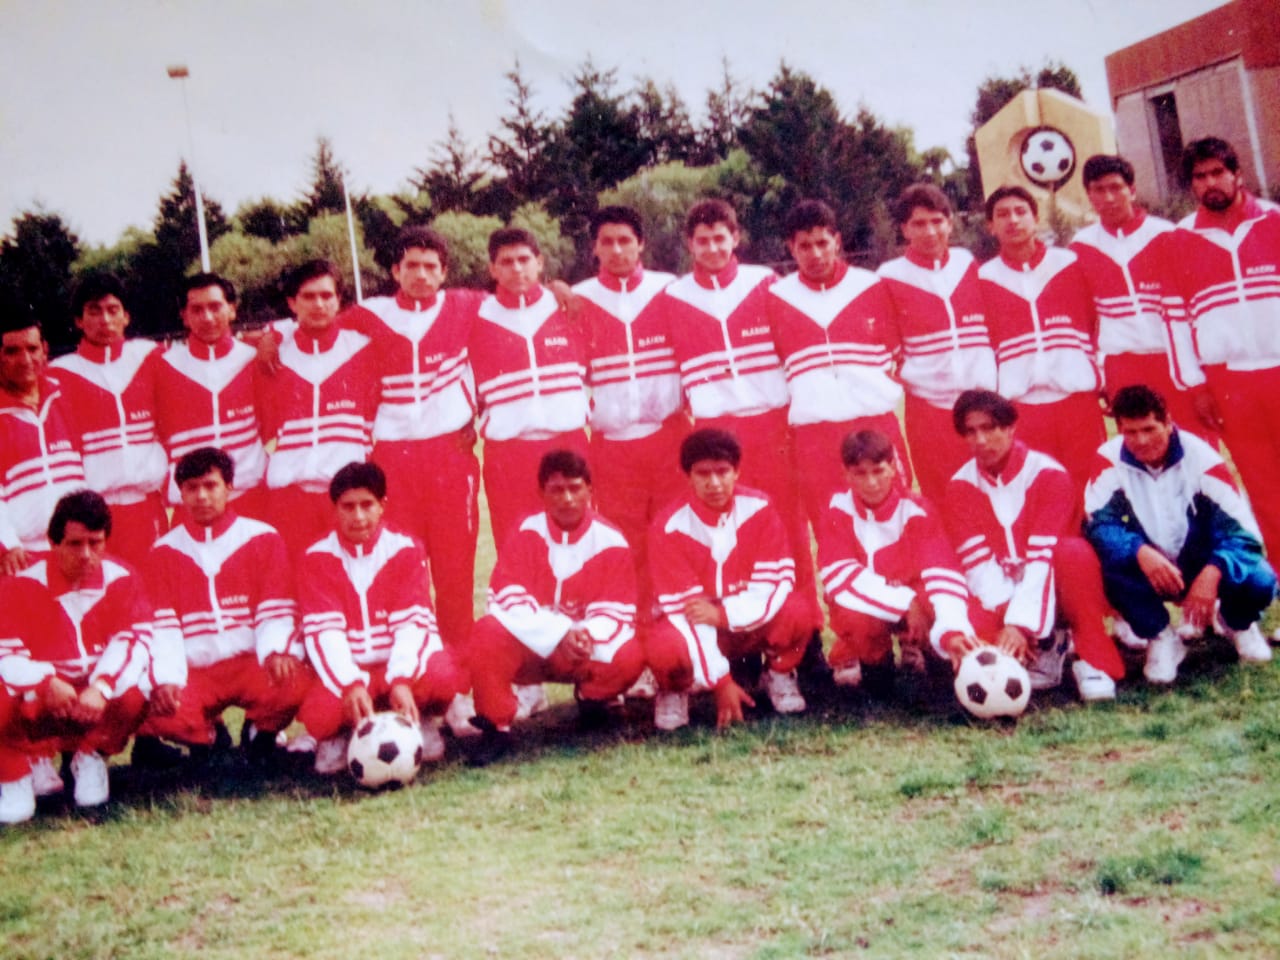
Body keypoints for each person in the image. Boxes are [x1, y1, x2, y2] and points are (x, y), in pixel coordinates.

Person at [657, 199, 823, 662]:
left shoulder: (765, 282)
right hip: (715, 431)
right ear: (689, 244)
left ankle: (802, 646)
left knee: (787, 532)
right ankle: (736, 646)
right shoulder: (673, 296)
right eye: (702, 240)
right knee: (725, 536)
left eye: (720, 238)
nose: (712, 247)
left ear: (736, 238)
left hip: (770, 424)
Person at [337, 227, 483, 660]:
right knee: (403, 568)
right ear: (395, 271)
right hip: (393, 461)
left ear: (444, 273)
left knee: (455, 574)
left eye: (430, 267)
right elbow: (313, 325)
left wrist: (558, 286)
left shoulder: (465, 305)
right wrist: (268, 333)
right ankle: (414, 673)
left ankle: (456, 687)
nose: (421, 275)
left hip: (450, 456)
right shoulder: (369, 314)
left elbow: (523, 299)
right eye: (412, 266)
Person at [942, 390, 1123, 701]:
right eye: (971, 432)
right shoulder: (960, 486)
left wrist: (1019, 624)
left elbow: (1042, 557)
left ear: (1011, 428)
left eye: (989, 428)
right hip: (1000, 595)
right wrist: (1007, 622)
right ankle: (1042, 648)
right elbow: (978, 566)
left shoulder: (1049, 475)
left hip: (1055, 583)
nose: (981, 440)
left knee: (1073, 553)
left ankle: (1089, 656)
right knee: (972, 634)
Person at [1084, 385, 1273, 683]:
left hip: (1199, 560)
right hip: (1149, 565)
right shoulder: (1109, 459)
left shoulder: (1201, 458)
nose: (1141, 441)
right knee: (1103, 564)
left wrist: (1214, 570)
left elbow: (1245, 533)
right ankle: (1161, 637)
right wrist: (1139, 551)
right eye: (1130, 432)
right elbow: (1098, 524)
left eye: (1149, 429)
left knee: (1259, 578)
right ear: (1119, 429)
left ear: (1168, 422)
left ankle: (1237, 622)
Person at [468, 450, 644, 765]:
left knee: (629, 655)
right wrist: (558, 631)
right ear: (542, 493)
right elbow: (507, 596)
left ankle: (593, 701)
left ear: (590, 490)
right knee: (487, 632)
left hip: (577, 650)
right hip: (533, 649)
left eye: (575, 488)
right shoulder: (527, 532)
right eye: (557, 490)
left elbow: (617, 610)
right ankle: (496, 726)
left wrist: (583, 634)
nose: (567, 498)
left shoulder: (610, 540)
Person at [295, 461, 466, 775]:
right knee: (319, 714)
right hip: (355, 667)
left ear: (382, 506)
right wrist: (349, 684)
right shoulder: (316, 558)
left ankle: (419, 718)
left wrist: (401, 679)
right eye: (348, 507)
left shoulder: (405, 549)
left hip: (395, 664)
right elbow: (323, 633)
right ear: (334, 509)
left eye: (366, 505)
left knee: (443, 677)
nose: (358, 516)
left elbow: (413, 623)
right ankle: (342, 735)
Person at [142, 447, 311, 762]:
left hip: (249, 661)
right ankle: (207, 740)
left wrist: (276, 650)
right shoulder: (163, 552)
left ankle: (260, 731)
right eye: (192, 488)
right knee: (161, 708)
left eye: (211, 486)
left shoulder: (261, 537)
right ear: (180, 494)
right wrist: (167, 677)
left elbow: (276, 607)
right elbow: (162, 627)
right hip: (198, 669)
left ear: (229, 487)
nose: (202, 496)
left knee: (294, 679)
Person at [1167, 137, 1280, 582]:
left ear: (1237, 175)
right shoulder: (1180, 239)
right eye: (1200, 176)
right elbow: (1175, 321)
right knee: (1262, 484)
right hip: (1229, 381)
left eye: (1218, 172)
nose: (1211, 182)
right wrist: (1196, 386)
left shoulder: (1274, 221)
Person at [0, 491, 151, 822]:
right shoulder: (20, 584)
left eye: (95, 543)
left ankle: (90, 755)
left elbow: (134, 639)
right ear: (53, 543)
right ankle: (16, 772)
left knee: (137, 691)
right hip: (44, 694)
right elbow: (5, 652)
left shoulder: (122, 577)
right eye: (74, 544)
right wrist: (44, 681)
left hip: (90, 694)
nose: (86, 555)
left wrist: (102, 685)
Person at [646, 428, 810, 730]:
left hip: (738, 620)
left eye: (723, 472)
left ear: (737, 471)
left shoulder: (759, 509)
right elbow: (687, 612)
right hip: (699, 626)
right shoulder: (669, 525)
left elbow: (773, 585)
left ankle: (779, 673)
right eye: (703, 474)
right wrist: (721, 682)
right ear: (688, 476)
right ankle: (676, 688)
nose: (714, 483)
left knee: (797, 611)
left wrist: (723, 614)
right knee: (665, 647)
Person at [572, 206, 685, 632]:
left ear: (641, 243)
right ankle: (635, 643)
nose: (617, 250)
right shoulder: (578, 299)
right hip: (613, 444)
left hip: (668, 434)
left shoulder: (669, 288)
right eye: (607, 242)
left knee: (674, 537)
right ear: (594, 248)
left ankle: (679, 639)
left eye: (625, 240)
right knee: (625, 545)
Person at [767, 199, 910, 534]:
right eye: (804, 246)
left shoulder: (871, 286)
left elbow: (897, 352)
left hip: (874, 422)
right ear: (791, 248)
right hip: (815, 433)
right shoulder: (777, 297)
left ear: (837, 241)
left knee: (894, 520)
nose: (815, 254)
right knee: (831, 525)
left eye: (822, 243)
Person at [817, 429, 979, 698]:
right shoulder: (837, 510)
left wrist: (951, 629)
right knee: (852, 611)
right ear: (846, 474)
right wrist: (905, 604)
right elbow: (841, 578)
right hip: (879, 608)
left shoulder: (916, 509)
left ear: (893, 468)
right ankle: (877, 670)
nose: (871, 482)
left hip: (915, 601)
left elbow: (943, 573)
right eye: (860, 473)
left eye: (879, 471)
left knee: (934, 600)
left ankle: (936, 661)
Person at [1070, 154, 1215, 443]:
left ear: (1132, 190)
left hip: (1172, 359)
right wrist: (1099, 371)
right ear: (1088, 195)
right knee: (1140, 445)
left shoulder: (1167, 235)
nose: (1109, 198)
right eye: (1099, 190)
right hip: (1122, 364)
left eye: (1116, 187)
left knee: (1194, 442)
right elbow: (1085, 318)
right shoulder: (1080, 246)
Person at [978, 186, 1105, 499]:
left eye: (1021, 212)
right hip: (1021, 406)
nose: (1013, 220)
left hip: (1076, 399)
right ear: (990, 226)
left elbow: (1095, 322)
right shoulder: (984, 278)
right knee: (1038, 491)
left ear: (1036, 219)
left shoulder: (1069, 264)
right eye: (1002, 214)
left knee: (1091, 487)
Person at [469, 228, 591, 552]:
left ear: (539, 262)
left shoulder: (570, 306)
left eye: (524, 260)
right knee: (517, 546)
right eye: (506, 262)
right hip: (510, 452)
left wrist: (560, 286)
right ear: (492, 269)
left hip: (569, 443)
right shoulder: (475, 316)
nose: (517, 269)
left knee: (577, 542)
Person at [878, 184, 997, 505]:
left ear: (949, 222)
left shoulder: (967, 263)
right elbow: (887, 345)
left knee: (994, 490)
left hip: (981, 401)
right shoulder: (890, 276)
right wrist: (917, 375)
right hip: (929, 408)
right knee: (946, 498)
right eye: (918, 224)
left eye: (936, 221)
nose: (929, 231)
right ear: (904, 229)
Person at [255, 260, 378, 557]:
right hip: (289, 497)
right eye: (308, 297)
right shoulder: (273, 356)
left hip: (345, 495)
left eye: (326, 296)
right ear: (292, 303)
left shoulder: (363, 349)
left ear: (339, 301)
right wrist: (272, 332)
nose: (319, 304)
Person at [49, 273, 169, 568]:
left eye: (113, 310)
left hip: (147, 506)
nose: (105, 320)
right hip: (93, 512)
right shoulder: (58, 374)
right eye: (94, 311)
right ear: (78, 320)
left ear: (126, 316)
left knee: (152, 585)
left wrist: (274, 334)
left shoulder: (150, 356)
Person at [154, 274, 270, 522]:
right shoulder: (163, 367)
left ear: (232, 310)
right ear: (184, 316)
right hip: (192, 506)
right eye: (196, 309)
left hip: (251, 497)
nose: (207, 317)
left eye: (215, 307)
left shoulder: (253, 360)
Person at [0, 306, 86, 576]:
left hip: (78, 547)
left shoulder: (67, 394)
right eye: (12, 352)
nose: (25, 359)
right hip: (22, 556)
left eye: (32, 349)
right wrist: (8, 546)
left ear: (45, 349)